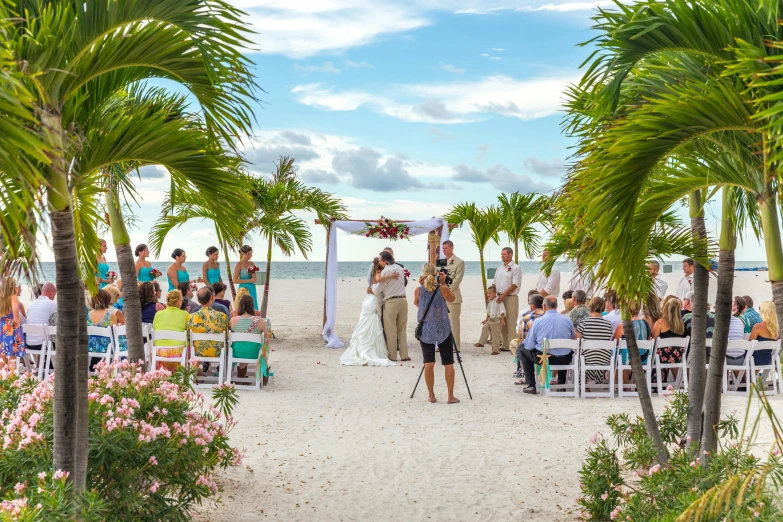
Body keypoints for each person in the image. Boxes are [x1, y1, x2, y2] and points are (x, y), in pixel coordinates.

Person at [413, 263, 459, 404]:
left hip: (426, 328)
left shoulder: (418, 290)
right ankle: (450, 396)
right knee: (448, 362)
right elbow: (452, 299)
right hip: (443, 328)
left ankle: (431, 395)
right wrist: (444, 283)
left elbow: (417, 304)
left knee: (429, 362)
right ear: (436, 273)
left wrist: (423, 287)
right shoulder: (442, 288)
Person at [341, 258, 399, 367]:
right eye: (383, 261)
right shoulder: (378, 272)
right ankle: (369, 350)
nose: (385, 263)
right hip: (372, 300)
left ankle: (366, 346)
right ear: (378, 264)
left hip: (369, 299)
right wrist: (392, 276)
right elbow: (378, 280)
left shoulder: (378, 272)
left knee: (368, 323)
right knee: (372, 321)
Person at [519, 296, 575, 395]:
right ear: (557, 306)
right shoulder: (567, 320)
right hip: (565, 359)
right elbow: (572, 339)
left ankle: (531, 385)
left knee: (522, 349)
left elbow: (529, 346)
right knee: (564, 350)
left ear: (544, 306)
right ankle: (561, 384)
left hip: (544, 359)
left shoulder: (538, 321)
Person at [230, 295, 275, 381]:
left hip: (236, 353)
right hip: (255, 353)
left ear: (240, 305)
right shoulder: (260, 321)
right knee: (263, 347)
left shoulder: (233, 321)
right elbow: (266, 339)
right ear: (252, 306)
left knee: (243, 345)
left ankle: (241, 375)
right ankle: (263, 373)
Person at [377, 251, 409, 362]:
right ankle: (404, 355)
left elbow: (378, 289)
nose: (379, 262)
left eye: (380, 260)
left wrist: (371, 290)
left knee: (391, 330)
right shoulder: (400, 269)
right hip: (403, 300)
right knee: (402, 329)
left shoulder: (385, 271)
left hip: (391, 302)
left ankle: (392, 356)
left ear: (385, 261)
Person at [576, 296, 615, 385]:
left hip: (587, 360)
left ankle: (584, 385)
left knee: (581, 353)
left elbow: (577, 341)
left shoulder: (584, 322)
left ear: (590, 307)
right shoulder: (608, 325)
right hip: (604, 361)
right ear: (603, 307)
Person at [614, 303, 652, 388]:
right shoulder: (646, 324)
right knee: (626, 350)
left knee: (621, 352)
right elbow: (649, 337)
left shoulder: (623, 325)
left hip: (628, 358)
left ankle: (626, 385)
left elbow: (615, 342)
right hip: (644, 357)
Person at [652, 297, 688, 383]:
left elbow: (654, 340)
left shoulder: (660, 322)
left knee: (656, 351)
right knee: (672, 351)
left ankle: (657, 381)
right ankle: (678, 382)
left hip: (662, 357)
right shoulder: (681, 324)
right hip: (678, 356)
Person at [152, 290, 190, 371]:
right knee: (190, 346)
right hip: (177, 352)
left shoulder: (158, 314)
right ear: (179, 301)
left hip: (159, 351)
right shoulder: (185, 314)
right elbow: (189, 334)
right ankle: (188, 374)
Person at [187, 286, 228, 358]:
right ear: (212, 298)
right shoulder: (222, 316)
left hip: (197, 351)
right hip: (218, 351)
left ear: (198, 300)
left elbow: (188, 336)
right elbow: (226, 336)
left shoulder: (191, 317)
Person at [513, 293, 545, 384]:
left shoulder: (528, 317)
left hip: (537, 352)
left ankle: (529, 380)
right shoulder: (549, 316)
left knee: (522, 348)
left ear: (532, 306)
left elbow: (523, 336)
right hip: (552, 351)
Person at [494, 247, 521, 352]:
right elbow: (495, 281)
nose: (502, 256)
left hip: (510, 297)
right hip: (499, 297)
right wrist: (493, 295)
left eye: (504, 254)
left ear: (510, 254)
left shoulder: (516, 268)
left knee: (511, 322)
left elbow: (515, 284)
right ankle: (505, 345)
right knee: (503, 322)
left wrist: (504, 295)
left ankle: (513, 346)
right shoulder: (500, 268)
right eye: (501, 254)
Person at [441, 240, 465, 350]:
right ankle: (442, 345)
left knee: (454, 323)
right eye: (443, 248)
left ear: (451, 248)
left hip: (453, 296)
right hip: (440, 296)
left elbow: (457, 280)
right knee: (441, 322)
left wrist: (446, 290)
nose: (443, 250)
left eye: (445, 248)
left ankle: (456, 346)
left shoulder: (459, 262)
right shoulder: (441, 262)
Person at [86, 290, 117, 370]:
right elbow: (115, 333)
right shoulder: (110, 315)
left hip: (90, 347)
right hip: (106, 347)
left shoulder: (89, 315)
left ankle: (94, 368)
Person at [24, 282, 57, 350]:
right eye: (55, 294)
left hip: (29, 343)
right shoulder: (53, 304)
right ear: (52, 292)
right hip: (43, 345)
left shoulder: (31, 304)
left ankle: (46, 360)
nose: (54, 296)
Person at [0, 277, 23, 367]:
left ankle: (2, 378)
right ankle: (12, 379)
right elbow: (15, 310)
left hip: (2, 326)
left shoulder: (1, 297)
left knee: (2, 355)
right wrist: (17, 320)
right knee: (12, 356)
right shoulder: (13, 296)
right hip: (11, 327)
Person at [748, 301, 779, 366]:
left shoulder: (758, 326)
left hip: (754, 360)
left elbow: (749, 345)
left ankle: (746, 376)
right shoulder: (777, 329)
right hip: (768, 360)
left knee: (736, 358)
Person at [478, 286, 505, 355]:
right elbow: (488, 312)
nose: (488, 295)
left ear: (495, 293)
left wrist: (502, 320)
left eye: (490, 293)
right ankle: (481, 343)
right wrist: (486, 319)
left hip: (497, 320)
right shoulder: (489, 302)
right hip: (490, 319)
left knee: (496, 335)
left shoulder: (498, 300)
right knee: (485, 327)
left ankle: (496, 350)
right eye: (487, 293)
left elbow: (502, 311)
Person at [234, 245, 258, 310]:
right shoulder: (239, 264)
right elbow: (235, 280)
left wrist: (252, 272)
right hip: (243, 288)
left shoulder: (251, 263)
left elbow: (254, 279)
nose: (250, 255)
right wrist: (249, 280)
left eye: (251, 254)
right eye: (249, 254)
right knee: (243, 306)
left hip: (252, 288)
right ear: (243, 254)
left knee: (253, 305)